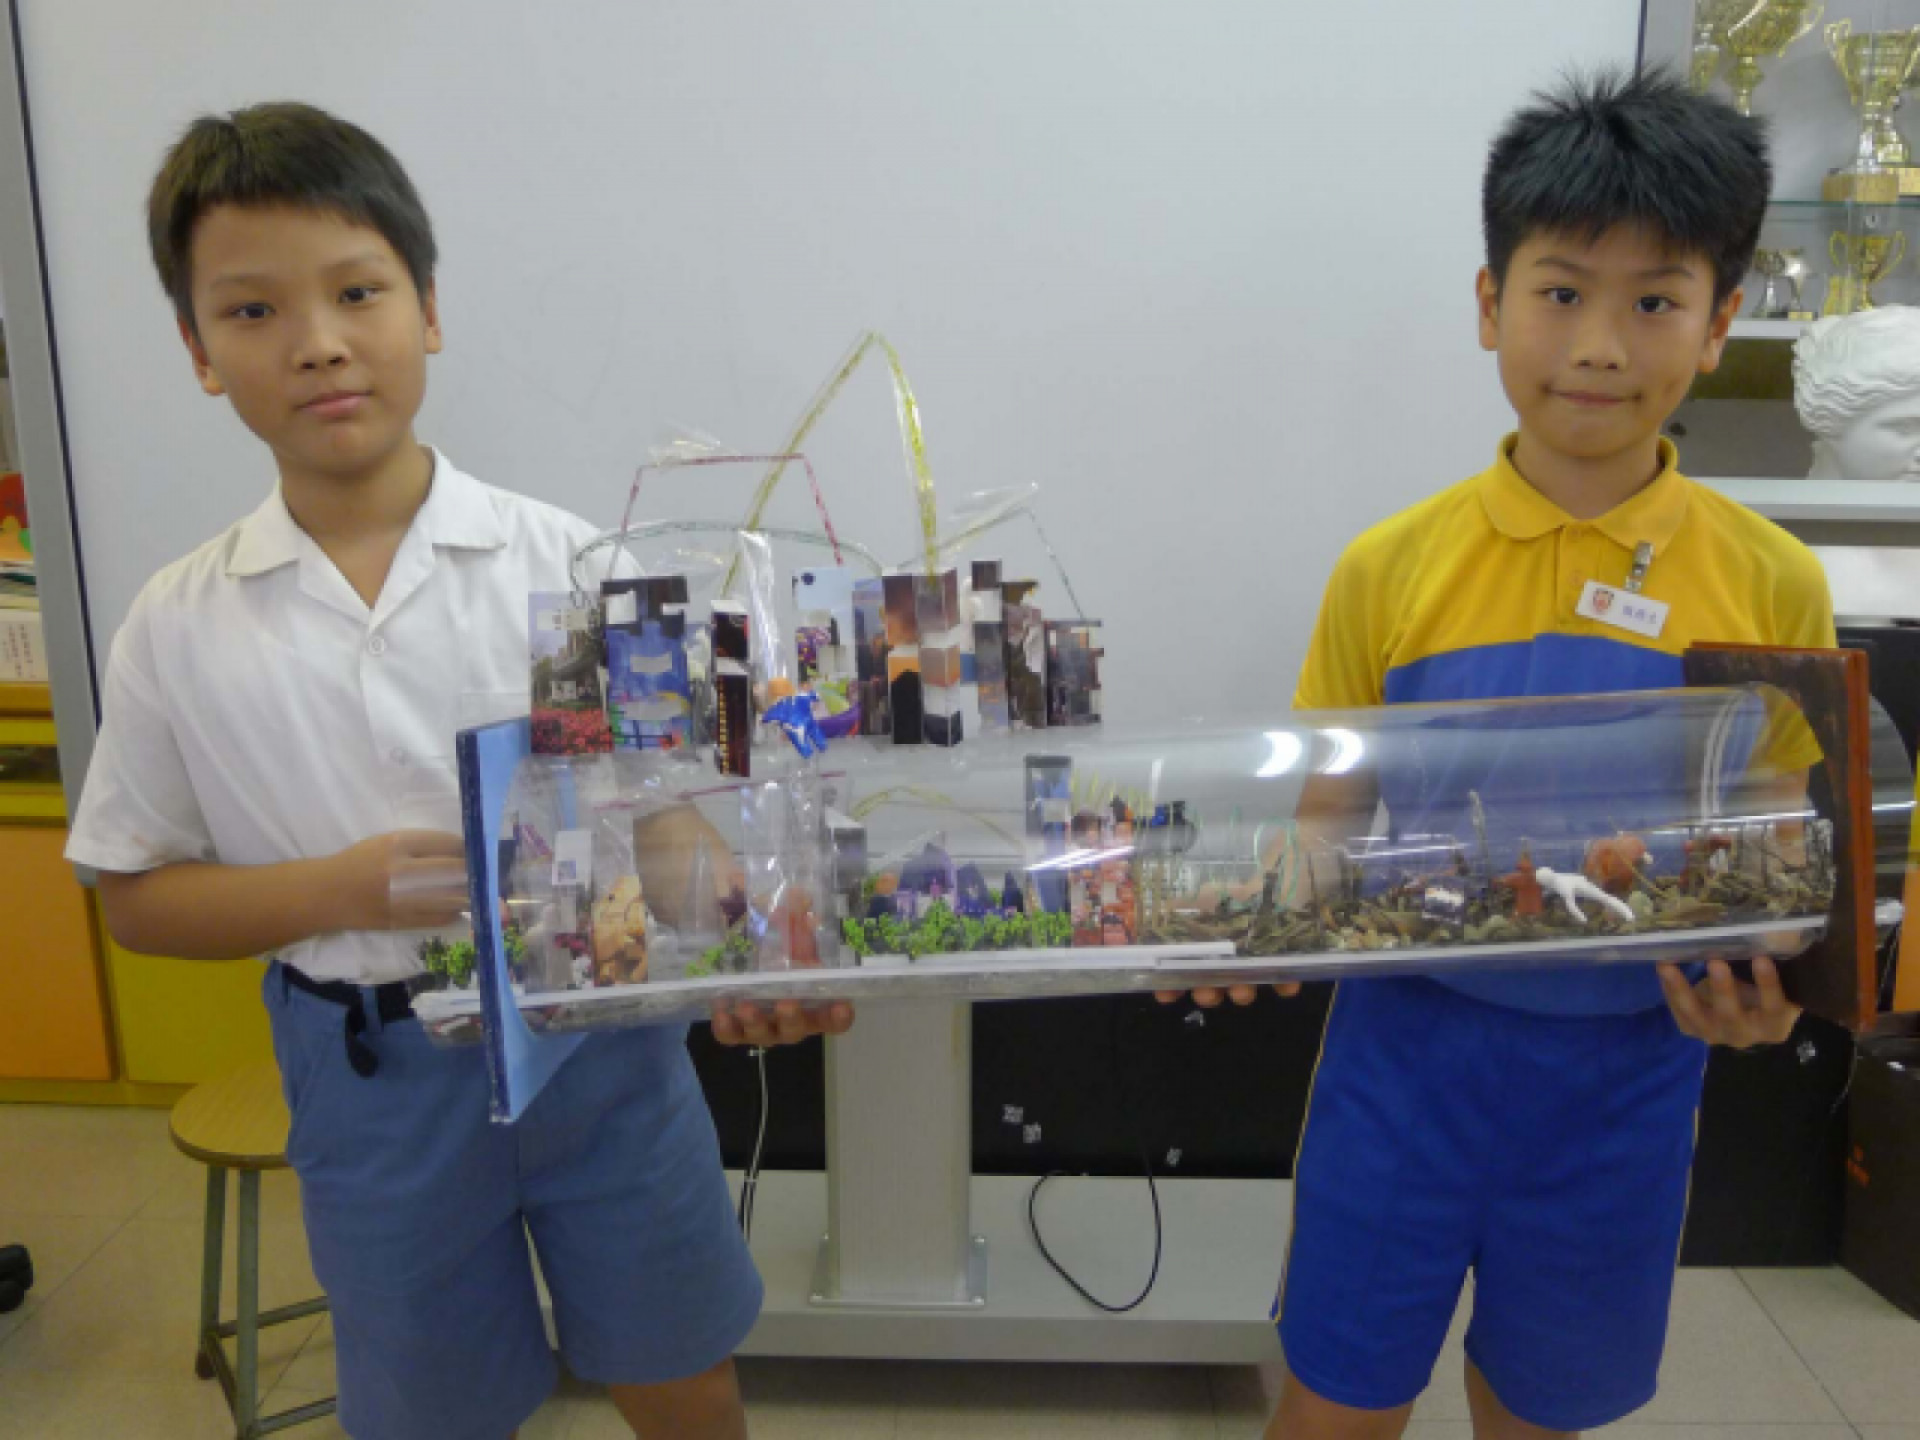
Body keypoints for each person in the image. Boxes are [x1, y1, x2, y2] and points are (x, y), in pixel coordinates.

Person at [65, 102, 849, 1440]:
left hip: (603, 1053)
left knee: (676, 1362)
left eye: (357, 292)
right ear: (198, 351)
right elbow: (136, 898)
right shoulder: (179, 623)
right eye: (252, 311)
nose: (318, 342)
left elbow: (666, 821)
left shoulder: (576, 567)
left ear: (426, 308)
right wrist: (342, 887)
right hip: (373, 1080)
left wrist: (754, 955)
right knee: (430, 1405)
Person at [1168, 71, 1834, 1438]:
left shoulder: (1772, 582)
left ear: (1721, 323)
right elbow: (1328, 820)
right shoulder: (1391, 570)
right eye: (1561, 291)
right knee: (1335, 1409)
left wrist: (1783, 986)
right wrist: (1234, 923)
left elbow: (1780, 842)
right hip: (1403, 1069)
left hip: (1629, 1081)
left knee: (1539, 1410)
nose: (1599, 345)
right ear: (1490, 303)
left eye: (1654, 302)